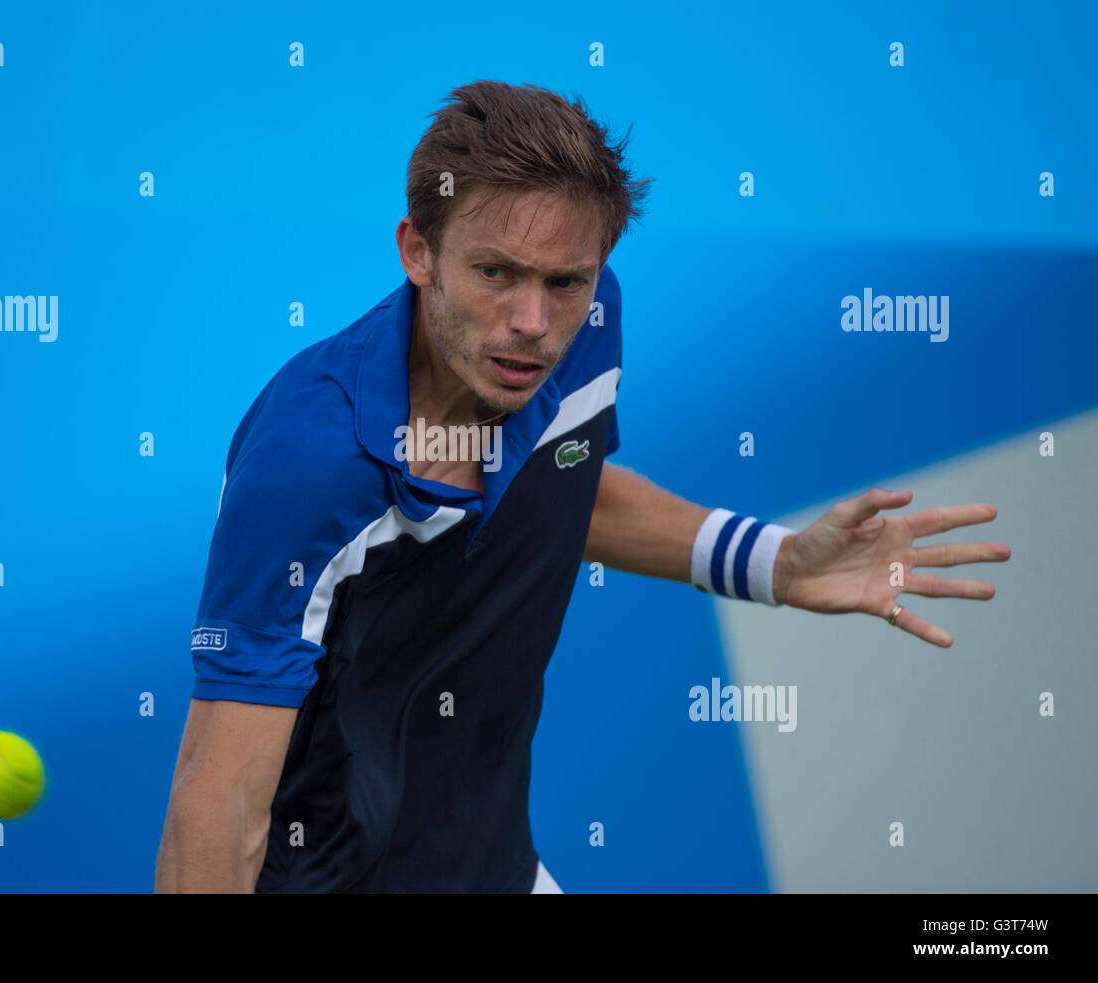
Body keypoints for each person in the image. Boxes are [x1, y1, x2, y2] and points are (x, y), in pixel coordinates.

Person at [154, 80, 1010, 894]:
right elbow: (218, 803)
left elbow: (561, 483)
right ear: (418, 250)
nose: (532, 323)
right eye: (496, 273)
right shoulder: (309, 470)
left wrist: (775, 564)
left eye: (565, 280)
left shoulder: (587, 327)